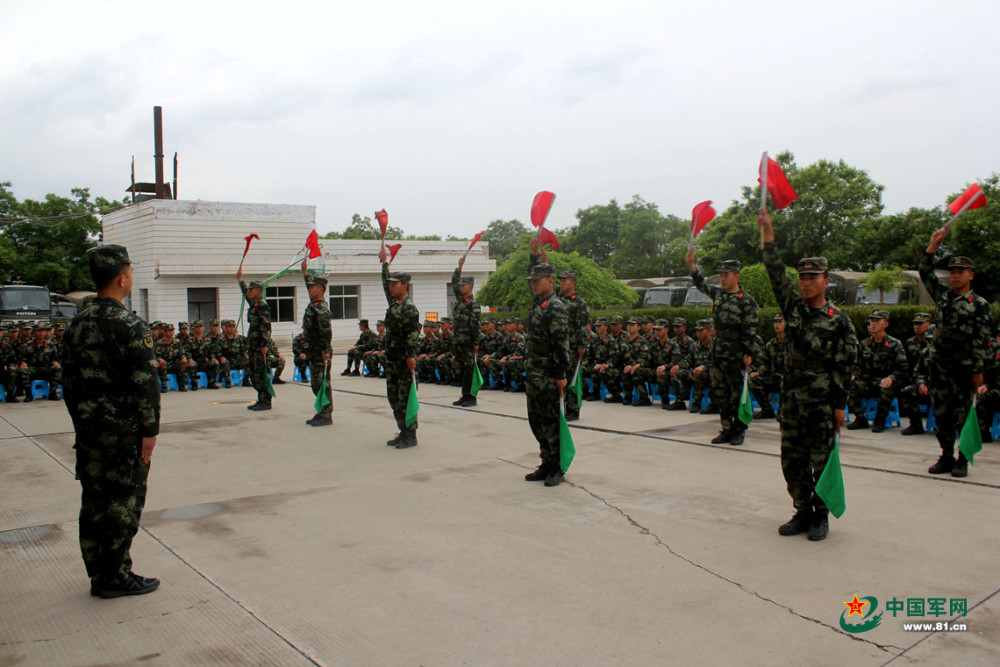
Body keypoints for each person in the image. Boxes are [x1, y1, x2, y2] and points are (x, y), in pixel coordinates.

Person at [61, 245, 161, 597]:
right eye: (131, 272)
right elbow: (147, 384)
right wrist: (149, 431)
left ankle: (98, 573)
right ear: (122, 278)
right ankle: (116, 576)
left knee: (94, 501)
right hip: (124, 433)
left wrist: (82, 422)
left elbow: (69, 385)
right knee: (123, 502)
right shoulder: (131, 326)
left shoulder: (75, 326)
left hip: (89, 430)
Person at [759, 210, 858, 542]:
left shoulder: (839, 320)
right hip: (792, 398)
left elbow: (845, 365)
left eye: (813, 277)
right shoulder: (793, 308)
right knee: (792, 459)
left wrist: (840, 405)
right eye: (802, 277)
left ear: (826, 280)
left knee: (820, 459)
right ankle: (801, 510)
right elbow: (774, 271)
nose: (805, 282)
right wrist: (768, 232)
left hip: (820, 398)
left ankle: (820, 515)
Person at [920, 229, 994, 478]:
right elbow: (925, 272)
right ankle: (946, 456)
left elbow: (982, 339)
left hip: (964, 366)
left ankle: (963, 458)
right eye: (952, 272)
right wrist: (933, 246)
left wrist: (977, 370)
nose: (955, 276)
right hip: (940, 365)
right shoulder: (942, 296)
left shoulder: (979, 304)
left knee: (965, 414)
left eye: (960, 272)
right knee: (941, 413)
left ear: (970, 275)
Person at [686, 251, 759, 447]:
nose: (723, 278)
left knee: (737, 393)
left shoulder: (746, 301)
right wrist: (693, 267)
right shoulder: (718, 294)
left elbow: (750, 330)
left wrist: (748, 353)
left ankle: (739, 430)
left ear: (737, 276)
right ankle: (726, 428)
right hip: (719, 352)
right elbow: (701, 284)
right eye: (721, 275)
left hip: (736, 352)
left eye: (727, 275)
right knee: (720, 392)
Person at [522, 260, 571, 487]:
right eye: (531, 281)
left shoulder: (555, 307)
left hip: (549, 374)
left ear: (551, 281)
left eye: (537, 280)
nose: (533, 284)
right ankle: (546, 461)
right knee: (536, 420)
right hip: (534, 372)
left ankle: (557, 467)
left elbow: (561, 344)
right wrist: (533, 254)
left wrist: (560, 374)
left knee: (551, 421)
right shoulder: (538, 303)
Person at [379, 247, 421, 448]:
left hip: (404, 359)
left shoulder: (408, 307)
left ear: (404, 286)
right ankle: (403, 430)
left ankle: (410, 435)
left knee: (405, 397)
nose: (390, 287)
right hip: (392, 358)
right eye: (390, 284)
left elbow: (413, 334)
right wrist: (384, 264)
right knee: (393, 396)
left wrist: (411, 355)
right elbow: (383, 282)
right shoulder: (394, 304)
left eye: (394, 284)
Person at [846, 311, 907, 433]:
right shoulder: (864, 344)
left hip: (886, 381)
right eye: (871, 321)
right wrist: (854, 375)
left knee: (885, 387)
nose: (873, 324)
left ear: (885, 324)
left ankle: (880, 421)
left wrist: (891, 377)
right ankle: (860, 418)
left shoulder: (894, 344)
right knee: (848, 385)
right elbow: (858, 365)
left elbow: (902, 368)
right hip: (868, 380)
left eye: (877, 321)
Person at [301, 258, 333, 427]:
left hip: (321, 351)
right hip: (313, 350)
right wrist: (305, 273)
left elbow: (326, 332)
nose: (309, 288)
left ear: (320, 289)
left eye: (312, 287)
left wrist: (325, 350)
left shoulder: (321, 308)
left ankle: (326, 414)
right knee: (316, 383)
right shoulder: (314, 304)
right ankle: (321, 411)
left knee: (322, 383)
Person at [236, 269, 273, 411]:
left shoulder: (262, 306)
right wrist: (240, 280)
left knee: (261, 372)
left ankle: (266, 401)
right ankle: (260, 398)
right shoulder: (255, 304)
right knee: (254, 372)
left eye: (252, 290)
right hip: (253, 345)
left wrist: (264, 345)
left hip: (259, 346)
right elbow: (245, 293)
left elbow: (266, 327)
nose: (249, 292)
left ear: (258, 291)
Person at [899, 313, 935, 435]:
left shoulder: (944, 349)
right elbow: (916, 369)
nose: (917, 326)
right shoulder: (911, 344)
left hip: (941, 385)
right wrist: (921, 383)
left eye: (921, 323)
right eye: (916, 324)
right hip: (921, 382)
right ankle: (916, 425)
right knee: (907, 391)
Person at [750, 314, 786, 420]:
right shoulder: (770, 344)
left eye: (780, 322)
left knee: (786, 382)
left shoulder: (790, 343)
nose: (777, 325)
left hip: (788, 376)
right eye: (775, 322)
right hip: (774, 376)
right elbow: (765, 364)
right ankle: (767, 409)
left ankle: (782, 411)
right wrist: (759, 372)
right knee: (754, 380)